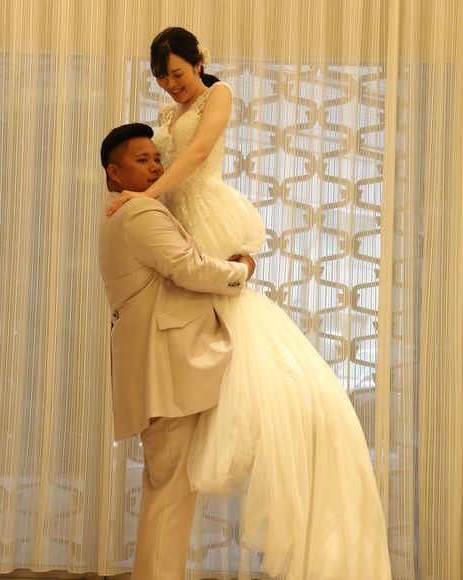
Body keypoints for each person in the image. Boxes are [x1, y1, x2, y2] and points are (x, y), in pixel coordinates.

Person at [107, 28, 393, 580]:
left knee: (233, 313)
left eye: (177, 75)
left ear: (199, 63)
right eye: (161, 78)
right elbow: (162, 161)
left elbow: (196, 153)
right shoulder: (163, 119)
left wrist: (145, 195)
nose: (170, 87)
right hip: (174, 219)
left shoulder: (218, 95)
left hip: (199, 207)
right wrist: (149, 201)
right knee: (204, 306)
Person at [97, 122, 256, 580]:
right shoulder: (139, 213)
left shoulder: (126, 214)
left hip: (159, 367)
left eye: (157, 158)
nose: (155, 166)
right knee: (169, 495)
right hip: (166, 369)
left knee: (167, 491)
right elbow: (188, 268)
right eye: (141, 160)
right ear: (114, 173)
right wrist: (241, 270)